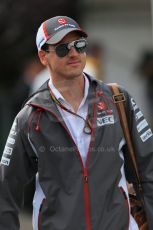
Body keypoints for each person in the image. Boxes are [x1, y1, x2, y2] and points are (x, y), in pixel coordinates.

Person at [0, 15, 153, 230]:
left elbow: (149, 167)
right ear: (43, 56)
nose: (73, 53)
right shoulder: (30, 117)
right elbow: (5, 188)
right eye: (63, 48)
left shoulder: (118, 100)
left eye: (79, 45)